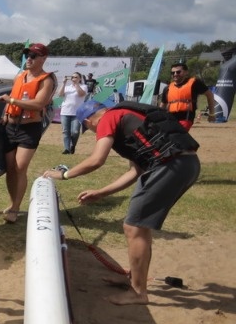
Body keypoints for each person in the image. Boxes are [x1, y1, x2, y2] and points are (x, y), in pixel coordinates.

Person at [42, 100, 200, 305]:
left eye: (89, 129)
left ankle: (138, 292)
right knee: (139, 227)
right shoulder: (129, 119)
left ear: (90, 120)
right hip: (187, 164)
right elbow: (135, 171)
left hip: (170, 166)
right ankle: (133, 279)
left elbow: (96, 160)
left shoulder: (108, 118)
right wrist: (101, 193)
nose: (93, 132)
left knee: (134, 227)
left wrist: (64, 175)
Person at [0, 42, 57, 223]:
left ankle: (15, 208)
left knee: (20, 167)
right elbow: (12, 96)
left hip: (29, 128)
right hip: (10, 126)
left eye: (33, 56)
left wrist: (12, 100)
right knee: (10, 169)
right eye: (27, 55)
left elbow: (39, 104)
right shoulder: (21, 76)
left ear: (43, 59)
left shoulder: (46, 80)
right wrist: (4, 113)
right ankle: (12, 203)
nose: (29, 59)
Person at [160, 60, 216, 130]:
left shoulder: (194, 83)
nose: (175, 74)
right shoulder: (167, 88)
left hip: (186, 117)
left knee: (179, 134)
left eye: (178, 72)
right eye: (172, 73)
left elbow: (210, 95)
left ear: (186, 72)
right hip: (170, 118)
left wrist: (211, 114)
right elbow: (162, 105)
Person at [57, 72, 87, 154]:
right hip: (65, 111)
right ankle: (67, 149)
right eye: (73, 77)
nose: (74, 78)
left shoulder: (83, 86)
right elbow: (60, 94)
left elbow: (81, 94)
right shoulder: (67, 87)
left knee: (75, 131)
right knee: (65, 131)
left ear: (80, 78)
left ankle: (72, 145)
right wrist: (63, 83)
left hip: (77, 113)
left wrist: (77, 84)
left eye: (76, 77)